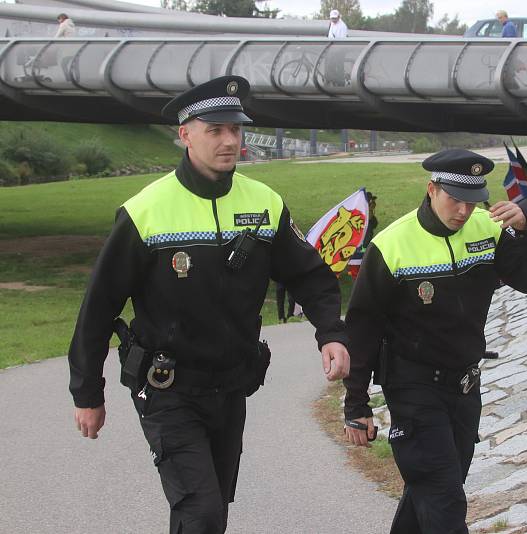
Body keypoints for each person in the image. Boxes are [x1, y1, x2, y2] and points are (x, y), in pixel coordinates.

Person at [68, 75, 350, 534]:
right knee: (201, 512)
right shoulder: (146, 211)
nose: (228, 141)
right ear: (185, 135)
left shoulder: (264, 204)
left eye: (235, 130)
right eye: (214, 130)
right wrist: (87, 393)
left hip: (231, 387)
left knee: (210, 512)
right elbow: (98, 306)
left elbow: (310, 275)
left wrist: (331, 333)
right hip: (167, 389)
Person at [343, 149, 527, 533]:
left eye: (472, 201)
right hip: (412, 386)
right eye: (454, 199)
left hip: (464, 386)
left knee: (433, 490)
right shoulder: (392, 245)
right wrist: (356, 402)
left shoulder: (487, 231)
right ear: (431, 189)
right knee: (444, 499)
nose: (463, 210)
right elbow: (363, 327)